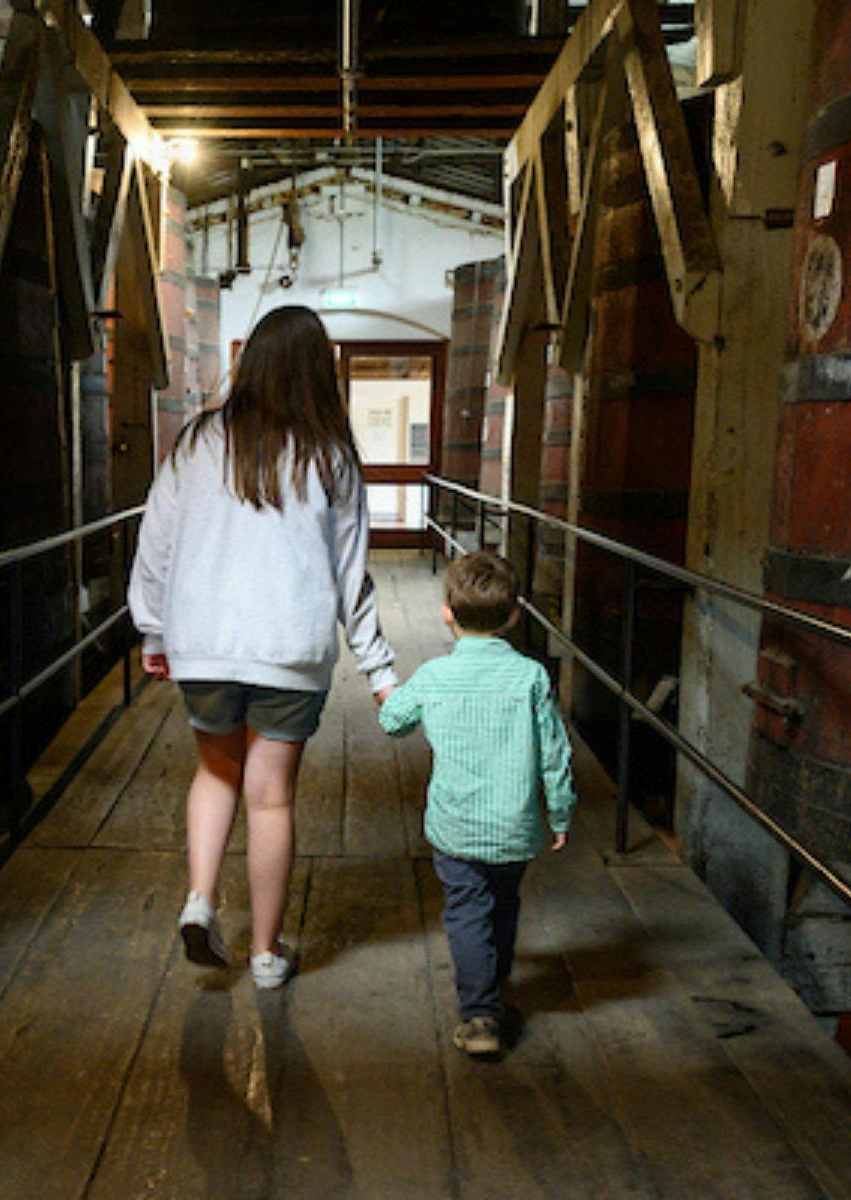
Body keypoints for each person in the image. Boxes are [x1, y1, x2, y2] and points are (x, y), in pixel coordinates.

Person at [128, 305, 397, 990]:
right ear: (318, 370)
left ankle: (200, 898)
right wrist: (379, 668)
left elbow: (155, 542)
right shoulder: (330, 453)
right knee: (270, 797)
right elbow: (350, 572)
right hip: (290, 650)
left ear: (251, 364)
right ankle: (267, 955)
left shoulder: (196, 443)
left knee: (216, 773)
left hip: (205, 645)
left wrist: (154, 629)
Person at [378, 549, 575, 1058]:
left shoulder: (434, 676)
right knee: (504, 906)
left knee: (466, 911)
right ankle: (495, 990)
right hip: (514, 828)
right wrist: (560, 812)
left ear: (446, 612)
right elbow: (555, 753)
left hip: (456, 825)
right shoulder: (531, 677)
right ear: (513, 615)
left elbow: (393, 722)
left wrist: (393, 692)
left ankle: (479, 1013)